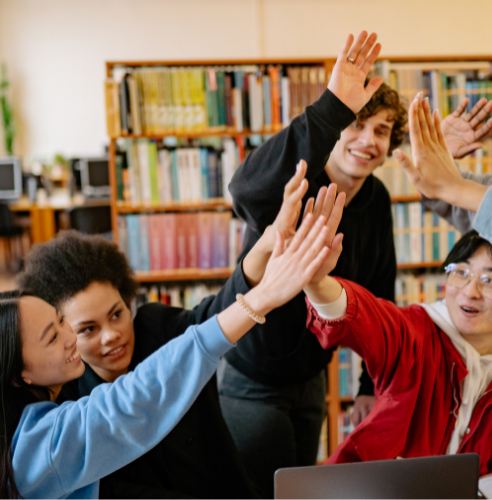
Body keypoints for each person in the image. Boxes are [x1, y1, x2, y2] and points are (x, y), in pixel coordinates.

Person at [219, 30, 492, 494]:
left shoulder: (377, 199)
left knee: (294, 485)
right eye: (356, 125)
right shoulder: (296, 176)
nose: (368, 140)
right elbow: (243, 193)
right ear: (336, 128)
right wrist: (331, 108)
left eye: (382, 130)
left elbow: (378, 292)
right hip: (253, 374)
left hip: (310, 376)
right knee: (257, 489)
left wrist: (368, 385)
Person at [12, 173, 342, 499]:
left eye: (117, 314)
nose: (111, 335)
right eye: (88, 329)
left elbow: (218, 315)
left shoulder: (156, 326)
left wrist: (267, 245)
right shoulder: (65, 406)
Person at [302, 92, 492, 475]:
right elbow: (364, 313)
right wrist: (316, 281)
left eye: (490, 280)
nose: (470, 291)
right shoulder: (419, 334)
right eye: (459, 272)